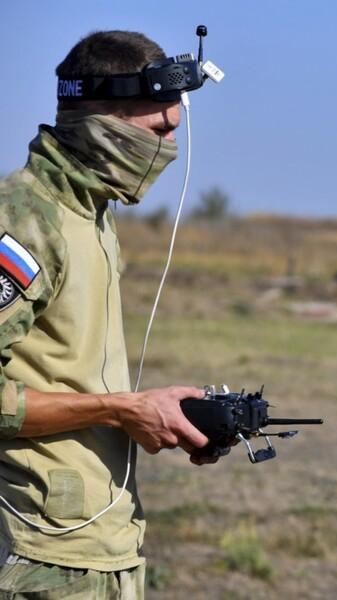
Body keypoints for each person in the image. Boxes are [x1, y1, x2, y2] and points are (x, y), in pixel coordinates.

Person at [0, 31, 212, 598]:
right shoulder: (25, 221)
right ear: (106, 123)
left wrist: (168, 417)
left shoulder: (90, 213)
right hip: (39, 555)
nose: (171, 148)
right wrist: (121, 409)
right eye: (160, 130)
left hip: (102, 544)